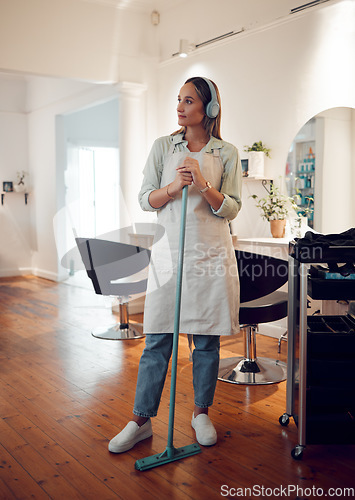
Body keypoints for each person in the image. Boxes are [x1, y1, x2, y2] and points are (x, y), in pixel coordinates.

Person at [108, 76, 242, 453]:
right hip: (169, 255)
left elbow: (231, 207)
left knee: (205, 340)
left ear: (209, 109)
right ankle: (141, 420)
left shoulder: (226, 153)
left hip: (209, 254)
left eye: (189, 101)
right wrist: (172, 189)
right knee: (157, 338)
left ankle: (201, 413)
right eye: (178, 100)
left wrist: (201, 183)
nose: (180, 107)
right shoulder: (163, 148)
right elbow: (144, 198)